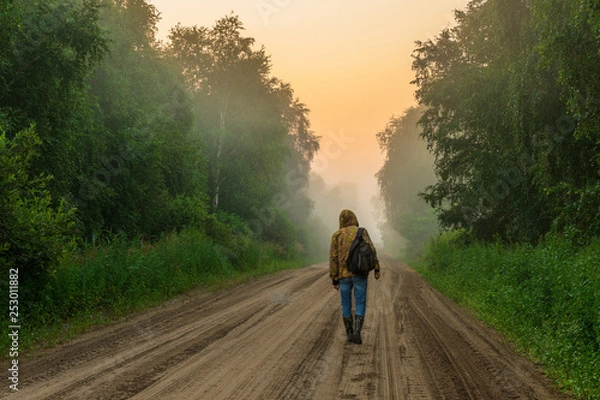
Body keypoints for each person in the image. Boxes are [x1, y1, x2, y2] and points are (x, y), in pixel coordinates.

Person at [329, 209, 380, 344]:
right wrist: (376, 268)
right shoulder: (361, 232)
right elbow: (371, 250)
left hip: (343, 276)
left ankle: (349, 333)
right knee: (360, 302)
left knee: (346, 304)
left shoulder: (336, 235)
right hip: (360, 273)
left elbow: (333, 258)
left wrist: (334, 278)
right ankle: (357, 331)